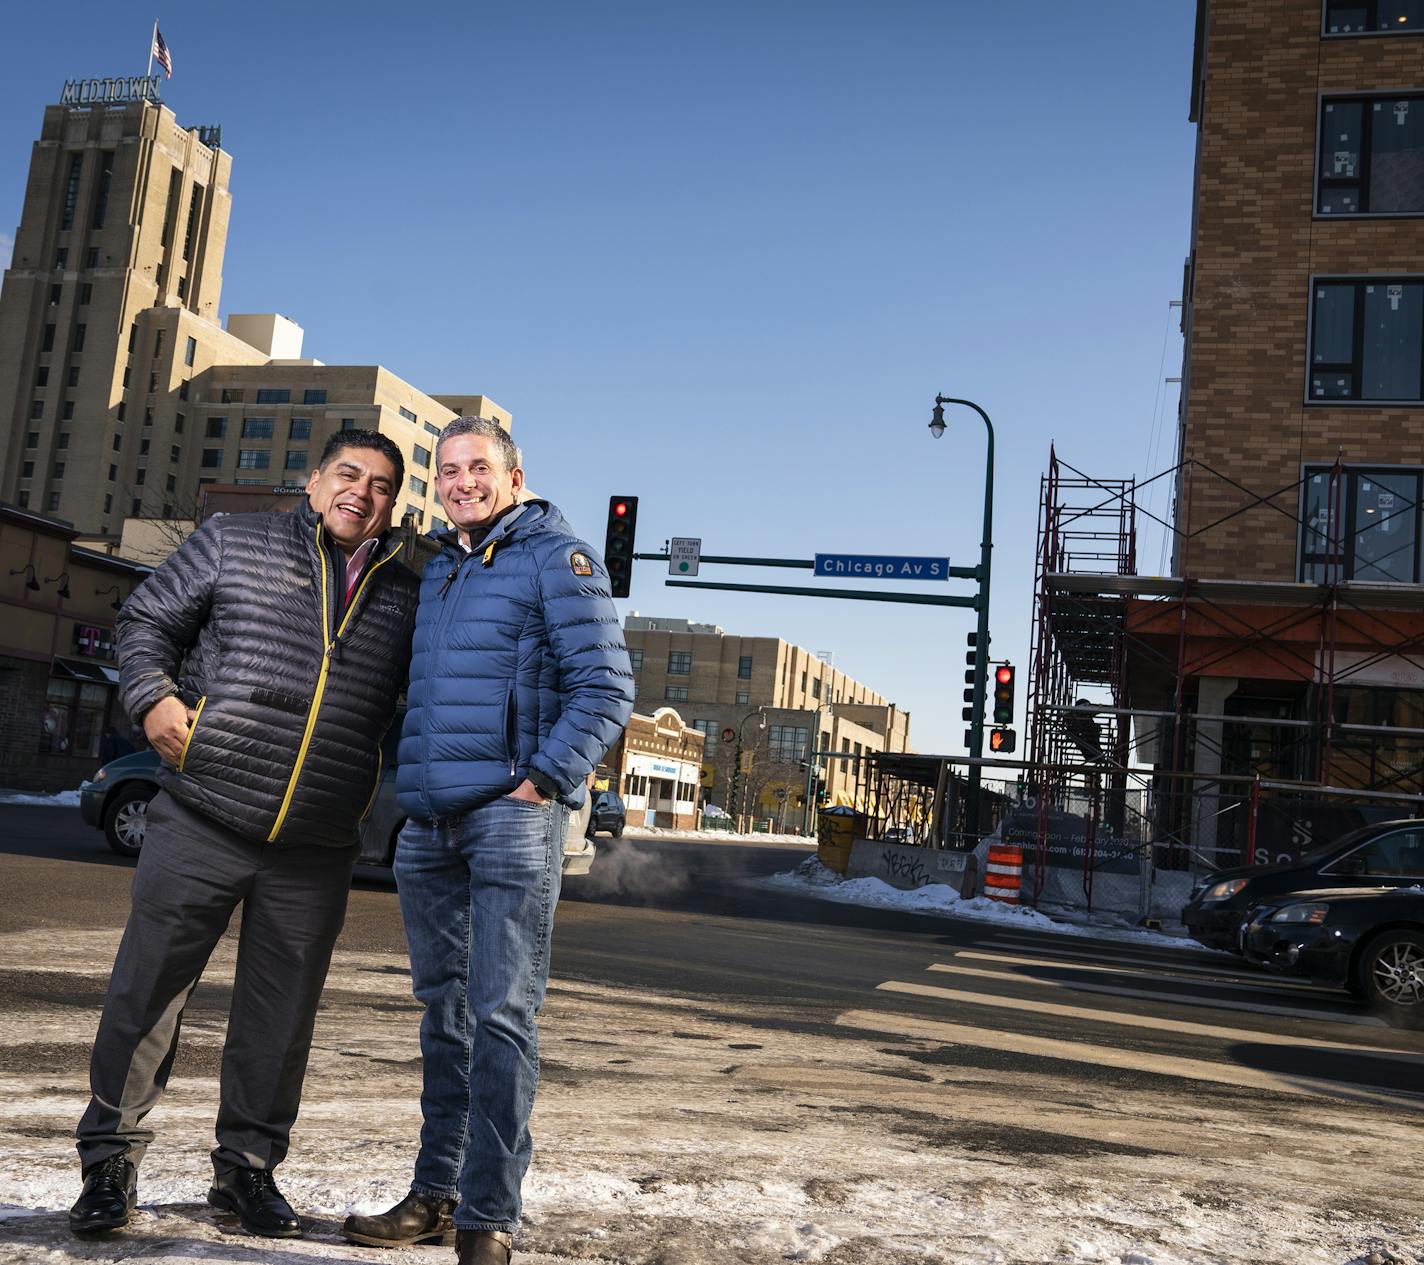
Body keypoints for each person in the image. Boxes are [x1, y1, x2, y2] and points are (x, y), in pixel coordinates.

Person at [69, 431, 419, 1240]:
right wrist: (153, 697)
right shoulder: (236, 541)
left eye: (380, 485)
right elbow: (147, 617)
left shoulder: (407, 594)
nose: (361, 493)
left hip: (318, 841)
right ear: (313, 479)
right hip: (203, 811)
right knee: (147, 987)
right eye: (348, 474)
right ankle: (110, 1161)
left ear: (393, 505)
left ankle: (247, 1172)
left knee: (281, 1013)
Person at [341, 417, 632, 1265]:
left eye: (479, 468)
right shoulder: (440, 569)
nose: (463, 480)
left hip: (510, 814)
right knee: (446, 1015)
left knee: (503, 1015)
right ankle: (436, 1194)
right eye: (449, 469)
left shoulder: (557, 555)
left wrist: (539, 779)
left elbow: (607, 685)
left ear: (514, 476)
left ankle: (488, 1217)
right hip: (428, 824)